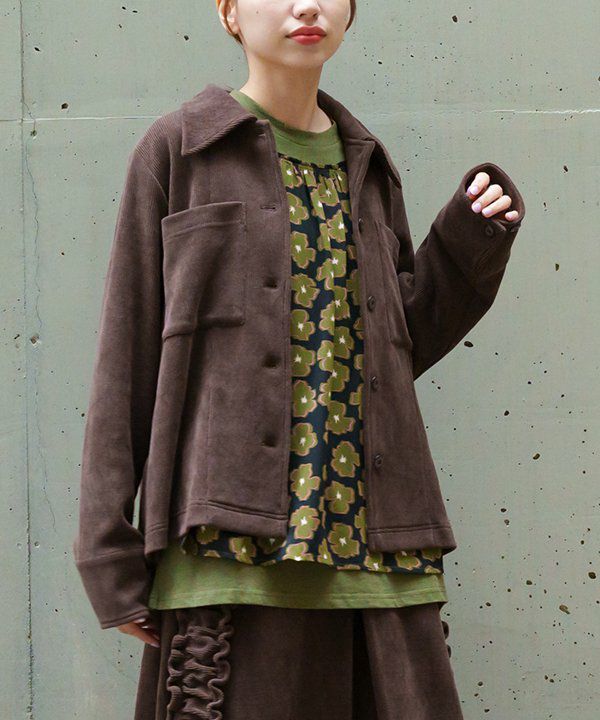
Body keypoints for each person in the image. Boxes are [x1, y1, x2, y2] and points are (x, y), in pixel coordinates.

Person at [72, 1, 525, 718]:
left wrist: (465, 243)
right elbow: (126, 355)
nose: (307, 5)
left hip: (380, 558)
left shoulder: (367, 164)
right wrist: (107, 551)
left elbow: (391, 350)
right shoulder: (180, 150)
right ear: (228, 11)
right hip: (230, 554)